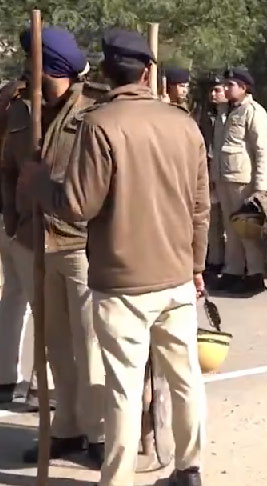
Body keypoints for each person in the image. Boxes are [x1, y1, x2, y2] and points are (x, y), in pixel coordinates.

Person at [23, 28, 209, 486]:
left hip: (121, 281)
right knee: (185, 380)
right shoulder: (184, 123)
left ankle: (119, 479)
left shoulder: (100, 124)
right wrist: (198, 266)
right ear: (149, 72)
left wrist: (38, 182)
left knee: (123, 389)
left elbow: (77, 205)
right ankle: (189, 469)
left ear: (106, 73)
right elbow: (202, 207)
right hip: (176, 276)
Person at [1, 26, 107, 466]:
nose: (28, 72)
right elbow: (6, 165)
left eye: (37, 65)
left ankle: (99, 434)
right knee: (54, 345)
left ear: (57, 70)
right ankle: (65, 427)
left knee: (90, 343)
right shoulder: (22, 109)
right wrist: (12, 215)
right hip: (32, 242)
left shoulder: (95, 110)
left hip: (80, 245)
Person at [211, 66, 267, 293]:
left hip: (242, 179)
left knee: (246, 228)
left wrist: (260, 187)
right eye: (225, 85)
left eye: (230, 85)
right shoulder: (225, 112)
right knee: (230, 227)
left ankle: (255, 273)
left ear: (243, 88)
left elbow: (261, 151)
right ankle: (233, 270)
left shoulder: (253, 112)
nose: (225, 89)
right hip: (224, 177)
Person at [0, 76, 31, 406]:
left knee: (13, 297)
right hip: (19, 217)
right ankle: (43, 384)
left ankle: (6, 375)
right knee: (44, 302)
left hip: (5, 214)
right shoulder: (25, 120)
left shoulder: (6, 106)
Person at [202, 75, 228, 280]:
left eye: (217, 90)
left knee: (230, 222)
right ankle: (215, 261)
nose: (214, 94)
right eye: (211, 91)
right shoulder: (206, 115)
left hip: (228, 174)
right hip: (209, 172)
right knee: (212, 221)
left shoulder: (232, 115)